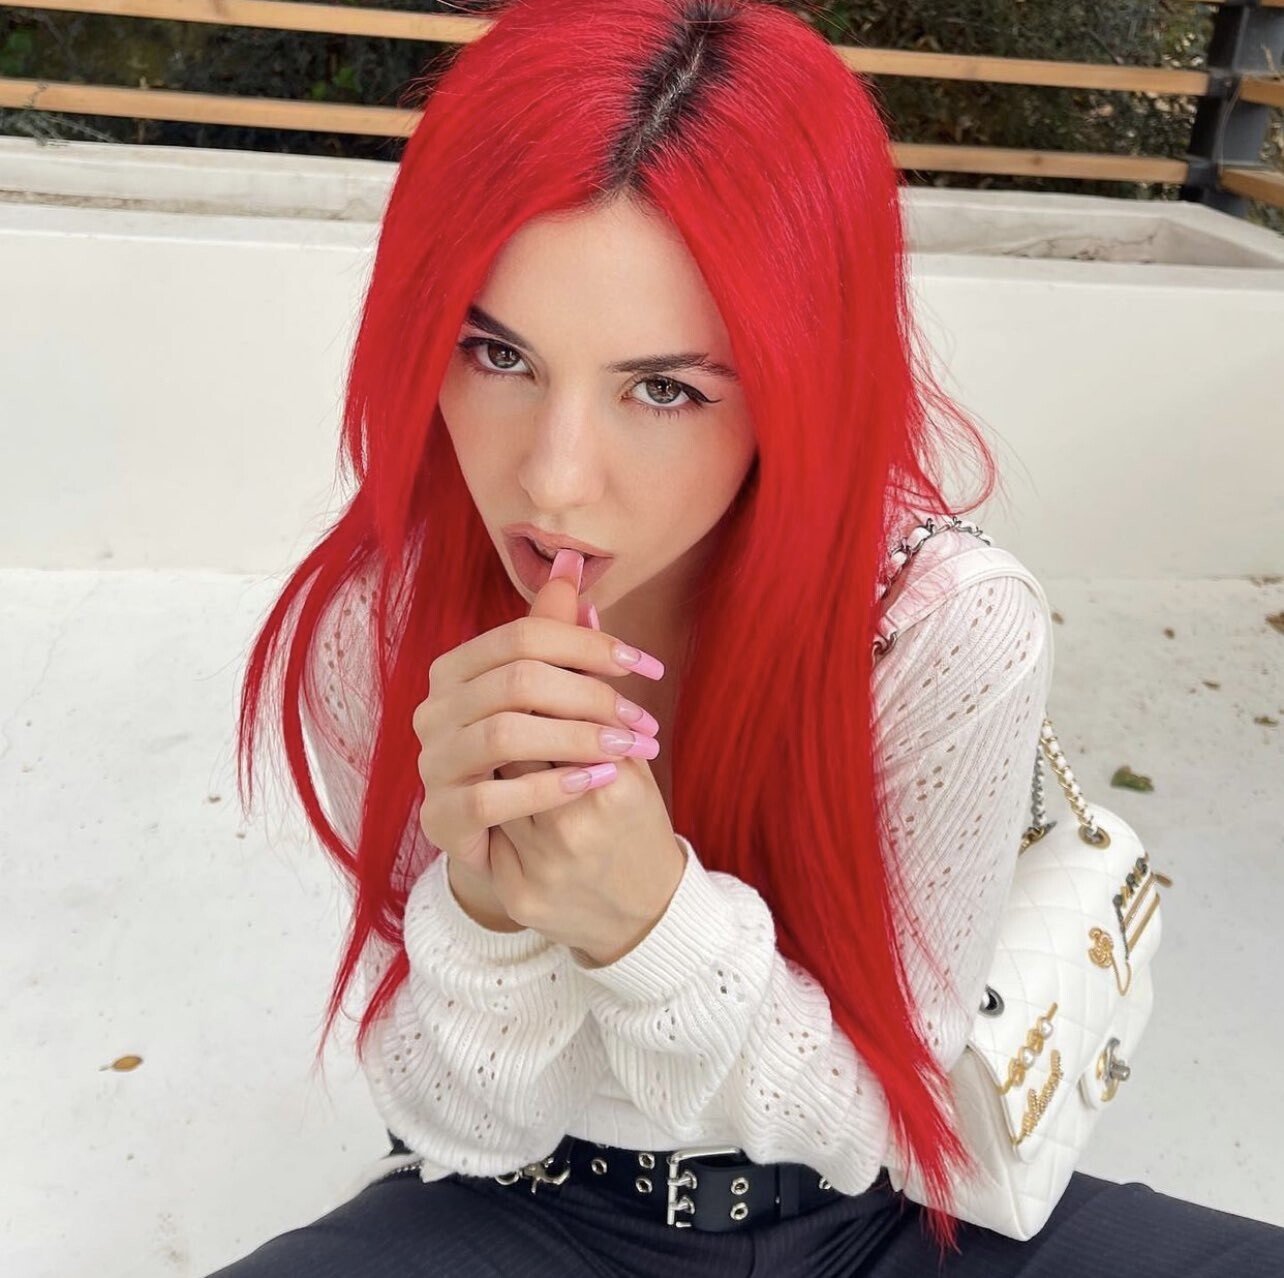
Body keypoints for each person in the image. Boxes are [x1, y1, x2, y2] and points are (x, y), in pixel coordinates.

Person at [214, 0, 1284, 1273]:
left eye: (663, 388)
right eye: (496, 354)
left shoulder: (936, 626)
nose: (553, 480)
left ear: (796, 381)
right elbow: (456, 1122)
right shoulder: (382, 621)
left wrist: (651, 922)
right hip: (525, 1204)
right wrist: (492, 913)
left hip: (877, 1219)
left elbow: (881, 1122)